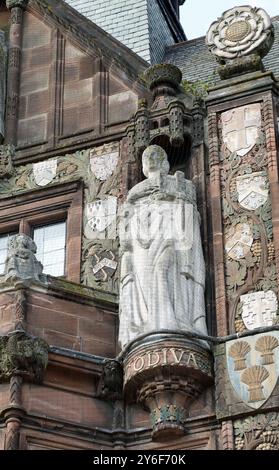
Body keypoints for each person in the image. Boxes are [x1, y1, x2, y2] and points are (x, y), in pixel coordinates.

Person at [118, 145, 207, 348]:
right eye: (148, 157)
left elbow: (191, 211)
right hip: (143, 244)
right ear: (142, 167)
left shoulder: (182, 184)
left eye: (157, 156)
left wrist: (172, 198)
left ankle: (175, 321)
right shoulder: (135, 193)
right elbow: (126, 224)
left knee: (163, 270)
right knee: (147, 280)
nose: (152, 159)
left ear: (166, 163)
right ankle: (150, 325)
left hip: (171, 238)